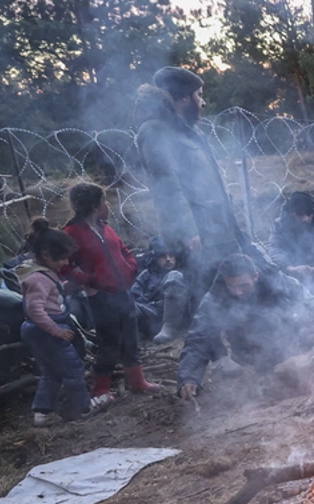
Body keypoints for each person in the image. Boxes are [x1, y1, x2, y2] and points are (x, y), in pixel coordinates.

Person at [133, 66, 255, 341]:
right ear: (185, 98)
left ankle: (244, 346)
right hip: (198, 233)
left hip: (219, 227)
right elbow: (166, 183)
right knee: (205, 296)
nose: (203, 101)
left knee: (233, 285)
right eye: (199, 95)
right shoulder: (155, 131)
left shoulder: (188, 131)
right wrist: (187, 230)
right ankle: (213, 353)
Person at [177, 254, 314, 401]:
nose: (237, 292)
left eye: (244, 285)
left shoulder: (277, 281)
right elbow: (198, 338)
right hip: (251, 357)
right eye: (232, 286)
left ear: (255, 276)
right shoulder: (215, 298)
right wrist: (189, 376)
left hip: (290, 344)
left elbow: (310, 304)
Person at [63, 183, 162, 403]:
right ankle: (100, 389)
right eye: (104, 201)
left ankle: (137, 382)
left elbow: (123, 249)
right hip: (99, 296)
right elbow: (65, 266)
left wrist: (131, 266)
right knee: (110, 342)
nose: (107, 205)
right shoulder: (71, 233)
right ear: (94, 205)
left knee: (129, 336)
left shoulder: (105, 228)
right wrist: (88, 280)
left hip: (123, 291)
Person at [17, 220, 91, 425]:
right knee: (73, 369)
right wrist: (55, 330)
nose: (65, 263)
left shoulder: (45, 274)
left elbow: (52, 297)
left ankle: (43, 412)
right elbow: (35, 309)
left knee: (50, 373)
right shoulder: (37, 279)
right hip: (46, 331)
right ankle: (83, 410)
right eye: (62, 259)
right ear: (47, 254)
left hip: (40, 330)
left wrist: (70, 286)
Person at [131, 236, 183, 341]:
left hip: (175, 315)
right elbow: (133, 295)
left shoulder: (181, 273)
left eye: (171, 255)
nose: (168, 259)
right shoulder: (147, 274)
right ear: (156, 258)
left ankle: (170, 328)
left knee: (174, 275)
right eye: (163, 256)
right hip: (151, 314)